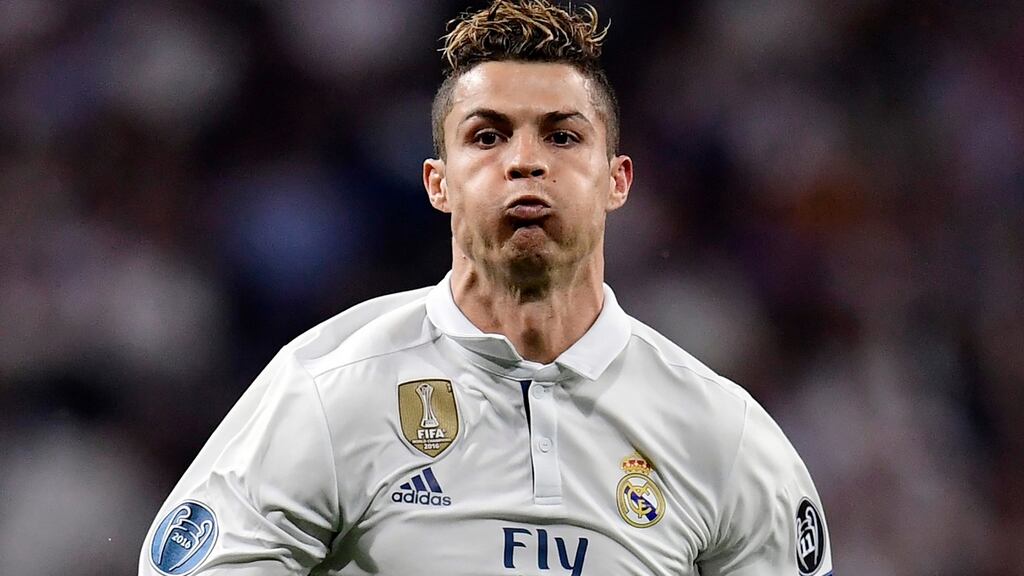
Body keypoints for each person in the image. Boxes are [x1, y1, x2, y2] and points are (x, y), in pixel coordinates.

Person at [140, 1, 833, 575]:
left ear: (617, 180)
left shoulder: (725, 436)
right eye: (488, 136)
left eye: (562, 137)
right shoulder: (328, 388)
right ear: (438, 184)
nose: (525, 161)